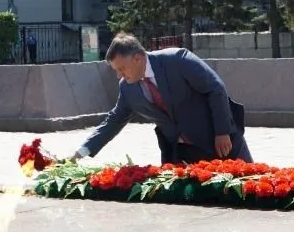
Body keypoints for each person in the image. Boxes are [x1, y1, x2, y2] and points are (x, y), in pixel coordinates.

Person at [72, 32, 252, 164]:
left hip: (221, 143)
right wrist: (81, 152)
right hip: (183, 154)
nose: (120, 75)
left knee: (251, 194)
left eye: (122, 68)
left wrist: (222, 131)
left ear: (138, 58)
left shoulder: (178, 60)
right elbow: (114, 121)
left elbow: (215, 88)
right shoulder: (127, 88)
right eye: (116, 71)